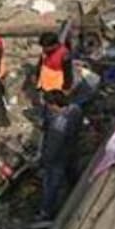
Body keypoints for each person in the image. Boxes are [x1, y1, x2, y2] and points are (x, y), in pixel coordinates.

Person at [38, 90, 82, 220]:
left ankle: (46, 211)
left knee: (51, 184)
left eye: (48, 105)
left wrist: (43, 161)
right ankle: (75, 186)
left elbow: (52, 149)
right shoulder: (75, 109)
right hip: (72, 147)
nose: (48, 108)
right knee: (72, 170)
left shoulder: (58, 125)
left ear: (54, 105)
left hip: (58, 158)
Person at [34, 32, 74, 99]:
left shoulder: (64, 55)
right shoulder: (46, 52)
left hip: (57, 84)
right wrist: (37, 78)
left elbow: (68, 73)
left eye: (46, 47)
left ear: (55, 45)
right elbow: (40, 65)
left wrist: (66, 88)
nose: (44, 49)